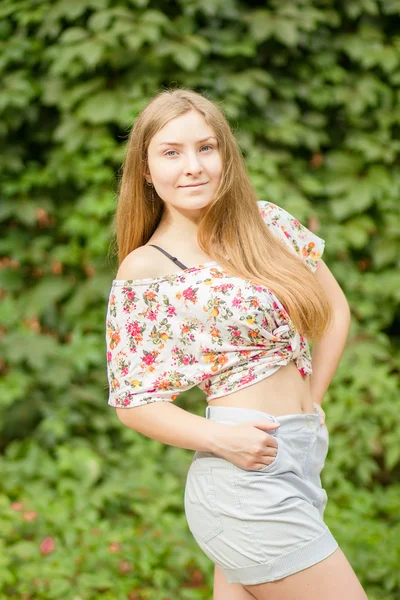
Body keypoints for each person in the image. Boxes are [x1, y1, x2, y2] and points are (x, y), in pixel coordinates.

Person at [105, 87, 368, 600]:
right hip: (242, 476)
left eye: (207, 147)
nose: (193, 166)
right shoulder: (147, 269)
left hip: (302, 454)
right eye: (171, 152)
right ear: (145, 169)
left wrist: (311, 404)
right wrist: (223, 440)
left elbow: (335, 312)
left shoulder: (267, 223)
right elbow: (133, 404)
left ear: (226, 153)